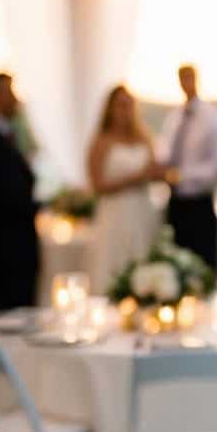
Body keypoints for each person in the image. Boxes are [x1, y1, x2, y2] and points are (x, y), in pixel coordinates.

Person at [87, 84, 162, 292]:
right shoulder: (101, 142)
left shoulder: (145, 138)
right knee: (114, 265)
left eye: (129, 105)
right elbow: (96, 185)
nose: (125, 110)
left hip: (143, 210)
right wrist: (135, 178)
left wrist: (158, 174)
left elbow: (154, 171)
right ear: (110, 108)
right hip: (115, 213)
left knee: (144, 263)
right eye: (120, 105)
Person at [160, 64, 217, 270]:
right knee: (175, 266)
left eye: (189, 78)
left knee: (203, 266)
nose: (186, 83)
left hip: (200, 203)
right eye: (182, 78)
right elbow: (166, 153)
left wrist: (182, 175)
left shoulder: (213, 118)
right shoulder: (174, 118)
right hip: (175, 202)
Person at [0, 73, 39, 310]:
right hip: (1, 245)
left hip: (18, 242)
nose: (16, 99)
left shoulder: (9, 134)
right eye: (9, 92)